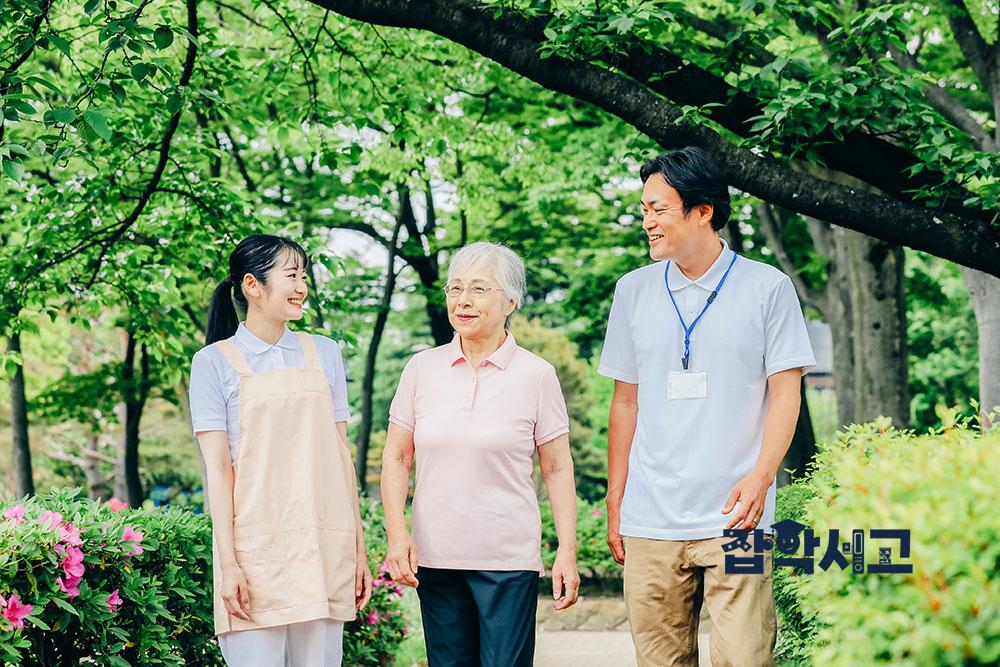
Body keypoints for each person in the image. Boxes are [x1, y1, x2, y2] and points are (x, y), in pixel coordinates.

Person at [599, 148, 816, 666]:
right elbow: (625, 401)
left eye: (659, 209)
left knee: (746, 658)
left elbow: (786, 391)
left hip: (738, 519)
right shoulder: (632, 291)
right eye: (644, 209)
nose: (647, 222)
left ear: (703, 211)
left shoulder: (768, 287)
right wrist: (616, 497)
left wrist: (762, 477)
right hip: (650, 521)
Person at [381, 241, 580, 667]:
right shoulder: (421, 368)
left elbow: (558, 467)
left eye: (478, 289)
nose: (463, 301)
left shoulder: (537, 375)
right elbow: (397, 457)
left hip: (507, 559)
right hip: (435, 556)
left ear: (511, 300)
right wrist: (397, 536)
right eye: (455, 289)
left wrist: (567, 550)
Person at [189, 234, 372, 666]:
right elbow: (218, 471)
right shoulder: (213, 363)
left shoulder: (324, 353)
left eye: (304, 275)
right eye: (292, 276)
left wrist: (360, 551)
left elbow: (342, 460)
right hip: (255, 556)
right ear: (253, 285)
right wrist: (229, 566)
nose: (302, 287)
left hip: (324, 548)